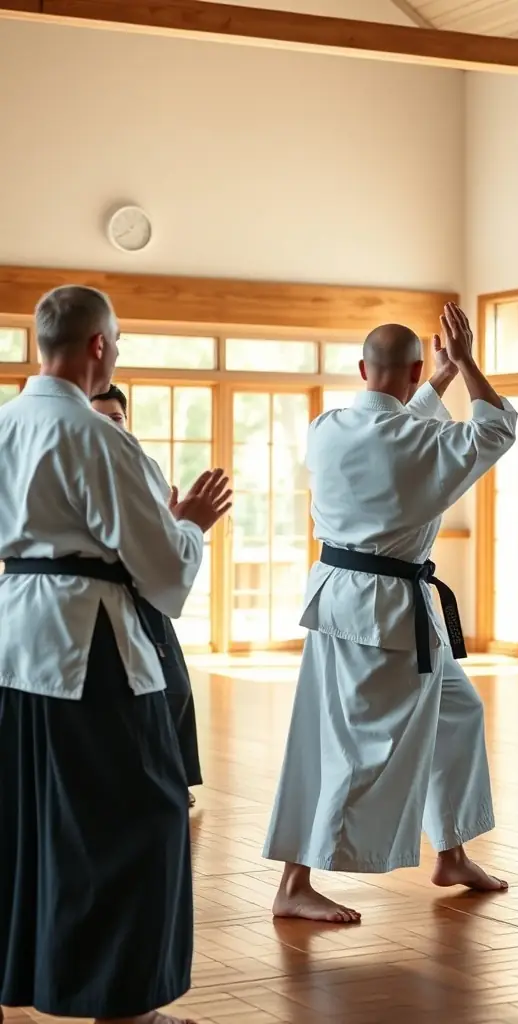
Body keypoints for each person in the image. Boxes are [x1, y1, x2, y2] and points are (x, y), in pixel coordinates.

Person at [0, 285, 231, 1024]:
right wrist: (191, 523)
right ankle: (124, 1007)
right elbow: (163, 572)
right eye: (120, 340)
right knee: (146, 820)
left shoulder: (3, 426)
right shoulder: (102, 439)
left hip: (10, 638)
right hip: (86, 648)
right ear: (99, 345)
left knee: (19, 821)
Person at [262, 302, 518, 923]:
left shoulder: (329, 426)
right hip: (379, 614)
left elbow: (397, 421)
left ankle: (451, 849)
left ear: (361, 369)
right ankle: (296, 883)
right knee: (356, 749)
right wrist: (465, 362)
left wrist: (442, 376)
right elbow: (498, 429)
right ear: (411, 372)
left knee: (459, 711)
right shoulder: (420, 440)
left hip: (351, 600)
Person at [92, 383, 203, 808]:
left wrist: (179, 524)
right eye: (100, 419)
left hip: (148, 589)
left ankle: (175, 774)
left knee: (175, 687)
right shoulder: (78, 462)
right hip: (105, 590)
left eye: (117, 418)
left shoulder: (144, 463)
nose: (111, 426)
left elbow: (163, 533)